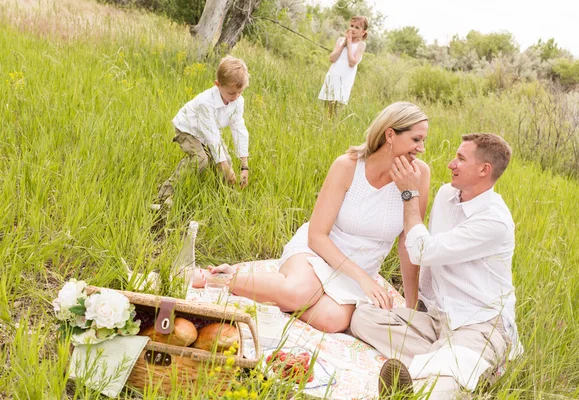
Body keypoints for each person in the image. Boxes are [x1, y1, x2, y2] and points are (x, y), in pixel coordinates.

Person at [191, 102, 430, 333]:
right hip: (318, 252)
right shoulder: (348, 166)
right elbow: (317, 236)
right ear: (390, 134)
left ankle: (274, 294)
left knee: (331, 320)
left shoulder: (420, 175)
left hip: (360, 270)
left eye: (423, 141)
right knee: (299, 292)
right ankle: (223, 279)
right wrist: (364, 280)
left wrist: (411, 307)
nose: (421, 148)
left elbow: (409, 245)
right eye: (416, 139)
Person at [351, 133, 522, 399]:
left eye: (461, 159)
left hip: (480, 324)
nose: (451, 164)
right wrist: (416, 305)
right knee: (363, 318)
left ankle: (415, 390)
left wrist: (409, 194)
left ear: (483, 170)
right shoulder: (446, 196)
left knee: (449, 379)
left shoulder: (494, 222)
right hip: (439, 318)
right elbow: (430, 263)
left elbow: (422, 250)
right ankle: (450, 360)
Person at [157, 56, 251, 208]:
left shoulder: (238, 101)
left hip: (207, 131)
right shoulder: (205, 102)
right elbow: (212, 136)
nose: (236, 97)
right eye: (232, 93)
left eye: (240, 92)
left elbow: (239, 129)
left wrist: (244, 166)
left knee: (225, 159)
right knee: (201, 159)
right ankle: (166, 193)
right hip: (188, 129)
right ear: (217, 85)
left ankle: (223, 196)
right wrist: (223, 166)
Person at [318, 15, 368, 116]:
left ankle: (334, 128)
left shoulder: (361, 45)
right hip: (333, 75)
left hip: (345, 79)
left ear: (363, 32)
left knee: (338, 109)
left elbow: (352, 62)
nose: (353, 29)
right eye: (351, 26)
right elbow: (332, 59)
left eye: (357, 27)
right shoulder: (341, 40)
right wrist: (343, 44)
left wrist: (349, 44)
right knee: (327, 108)